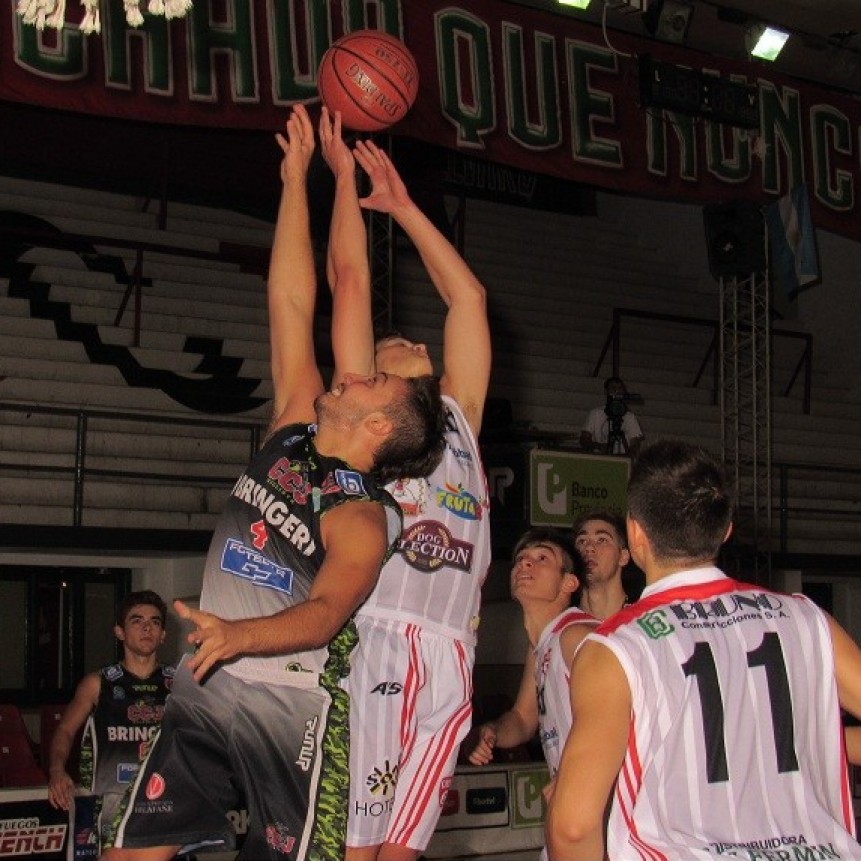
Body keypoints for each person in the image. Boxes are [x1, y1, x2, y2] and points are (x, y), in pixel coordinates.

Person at [104, 104, 445, 861]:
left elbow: (325, 614)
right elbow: (291, 300)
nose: (350, 372)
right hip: (208, 683)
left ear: (381, 426)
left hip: (289, 704)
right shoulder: (295, 423)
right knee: (127, 852)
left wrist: (237, 634)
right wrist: (295, 181)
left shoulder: (361, 512)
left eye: (368, 380)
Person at [545, 440, 861, 861]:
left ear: (635, 533)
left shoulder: (616, 646)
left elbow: (572, 828)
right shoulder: (809, 620)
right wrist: (800, 740)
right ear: (726, 529)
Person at [318, 108, 491, 861]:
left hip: (453, 653)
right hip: (378, 639)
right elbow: (350, 282)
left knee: (404, 853)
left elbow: (469, 301)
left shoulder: (458, 418)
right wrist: (343, 182)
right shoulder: (371, 428)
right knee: (359, 849)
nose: (411, 340)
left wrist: (407, 208)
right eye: (393, 351)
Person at [46, 589, 173, 853]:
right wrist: (57, 770)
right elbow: (65, 730)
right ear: (119, 632)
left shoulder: (180, 683)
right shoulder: (98, 683)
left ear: (163, 635)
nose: (147, 628)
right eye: (137, 621)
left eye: (155, 622)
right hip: (109, 808)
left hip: (165, 804)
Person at [466, 527, 597, 778]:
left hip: (600, 797)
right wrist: (492, 731)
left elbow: (610, 722)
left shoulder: (577, 636)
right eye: (520, 559)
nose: (525, 562)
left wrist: (576, 788)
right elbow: (523, 719)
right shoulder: (540, 645)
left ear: (569, 582)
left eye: (542, 558)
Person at [572, 510, 631, 619]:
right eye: (582, 541)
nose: (589, 547)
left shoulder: (640, 623)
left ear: (623, 556)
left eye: (602, 540)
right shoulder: (561, 626)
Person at [579, 375, 644, 456]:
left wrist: (626, 457)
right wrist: (598, 446)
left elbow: (635, 444)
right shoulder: (595, 413)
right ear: (606, 391)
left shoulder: (629, 417)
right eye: (613, 388)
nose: (616, 390)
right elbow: (584, 439)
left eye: (620, 388)